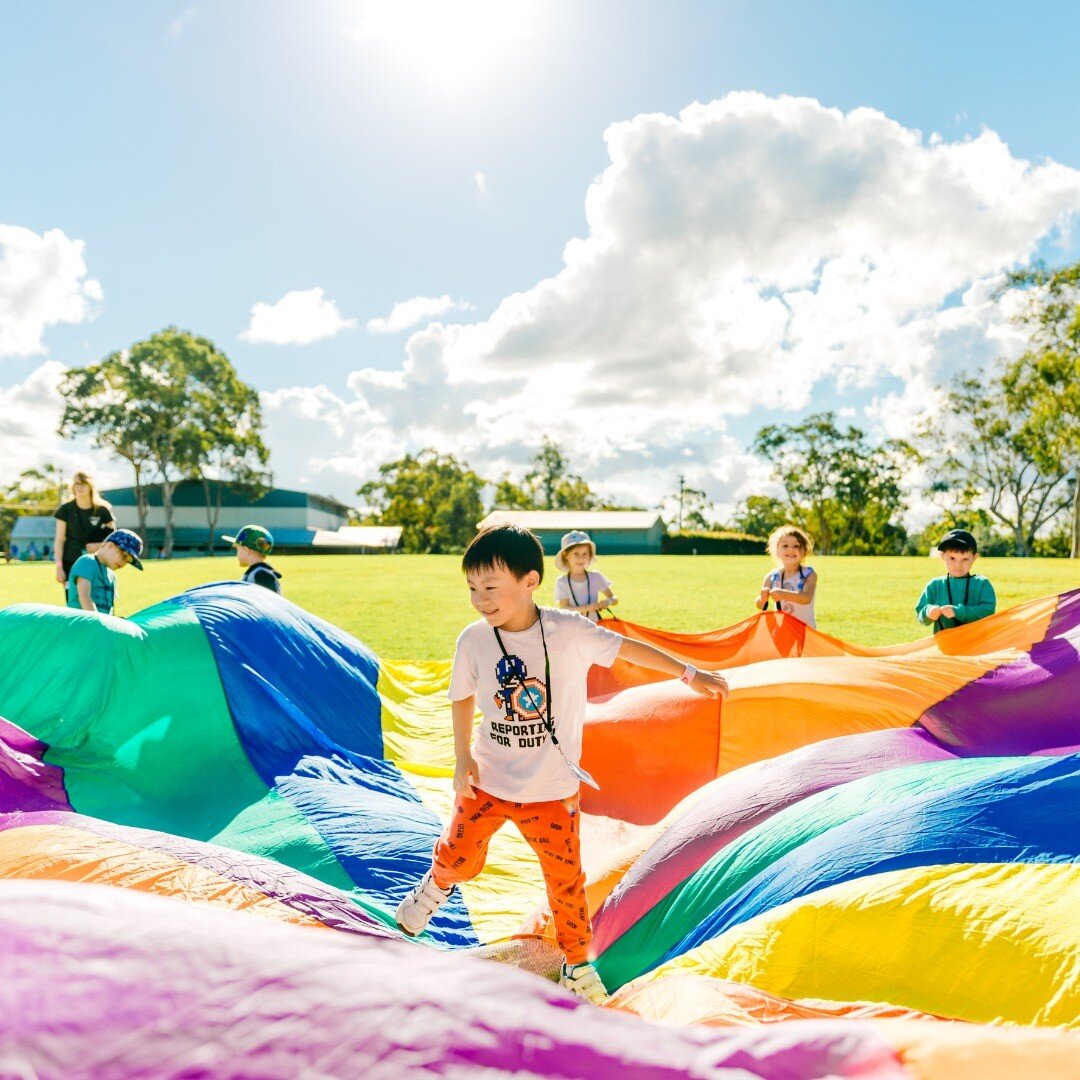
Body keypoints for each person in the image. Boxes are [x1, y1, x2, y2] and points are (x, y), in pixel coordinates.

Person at [394, 523, 729, 1004]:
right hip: (487, 782)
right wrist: (462, 755)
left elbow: (628, 649)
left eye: (490, 588)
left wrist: (689, 674)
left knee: (565, 884)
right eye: (472, 588)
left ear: (530, 581)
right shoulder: (474, 640)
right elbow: (462, 696)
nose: (480, 600)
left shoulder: (568, 631)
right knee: (460, 857)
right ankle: (436, 886)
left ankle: (576, 963)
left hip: (551, 793)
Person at [916, 528, 996, 634]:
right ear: (942, 556)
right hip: (945, 648)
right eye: (952, 558)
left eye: (965, 559)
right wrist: (928, 612)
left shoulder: (982, 584)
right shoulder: (935, 585)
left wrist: (959, 611)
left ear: (975, 557)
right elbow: (921, 614)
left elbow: (987, 612)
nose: (958, 565)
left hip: (976, 646)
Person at [54, 472, 116, 592]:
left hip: (97, 562)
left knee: (96, 599)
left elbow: (114, 538)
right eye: (77, 483)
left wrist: (99, 546)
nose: (80, 487)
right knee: (73, 601)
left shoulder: (102, 510)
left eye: (83, 483)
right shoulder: (65, 509)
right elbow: (59, 540)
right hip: (71, 562)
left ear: (90, 486)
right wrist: (59, 567)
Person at [66, 529, 144, 615]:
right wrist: (98, 623)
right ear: (110, 546)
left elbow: (110, 608)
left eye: (128, 561)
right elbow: (84, 597)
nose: (124, 563)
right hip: (81, 625)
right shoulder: (87, 562)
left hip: (100, 626)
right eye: (124, 556)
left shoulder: (112, 576)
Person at [754, 525, 818, 628]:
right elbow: (760, 605)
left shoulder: (809, 574)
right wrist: (762, 599)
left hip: (806, 631)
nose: (791, 550)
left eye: (796, 546)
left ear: (804, 551)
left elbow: (806, 598)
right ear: (777, 551)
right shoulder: (772, 577)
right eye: (785, 546)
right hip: (782, 631)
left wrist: (784, 594)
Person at [553, 530, 618, 623]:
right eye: (576, 554)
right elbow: (564, 608)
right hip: (572, 628)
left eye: (585, 554)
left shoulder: (596, 577)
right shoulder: (562, 582)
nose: (581, 558)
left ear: (590, 555)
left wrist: (607, 602)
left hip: (595, 626)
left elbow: (614, 599)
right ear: (565, 555)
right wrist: (588, 608)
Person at [221, 524, 282, 594]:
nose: (237, 554)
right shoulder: (256, 573)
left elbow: (270, 602)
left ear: (246, 550)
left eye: (237, 549)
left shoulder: (261, 575)